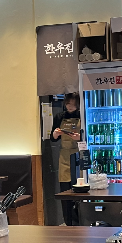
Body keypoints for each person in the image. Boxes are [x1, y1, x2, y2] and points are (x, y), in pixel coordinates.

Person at [51, 93, 82, 225]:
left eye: (73, 104)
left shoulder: (82, 115)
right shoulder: (59, 117)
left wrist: (80, 138)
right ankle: (68, 222)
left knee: (79, 191)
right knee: (65, 191)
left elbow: (88, 137)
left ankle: (80, 221)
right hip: (64, 157)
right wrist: (55, 134)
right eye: (68, 104)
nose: (70, 107)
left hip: (79, 154)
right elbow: (53, 139)